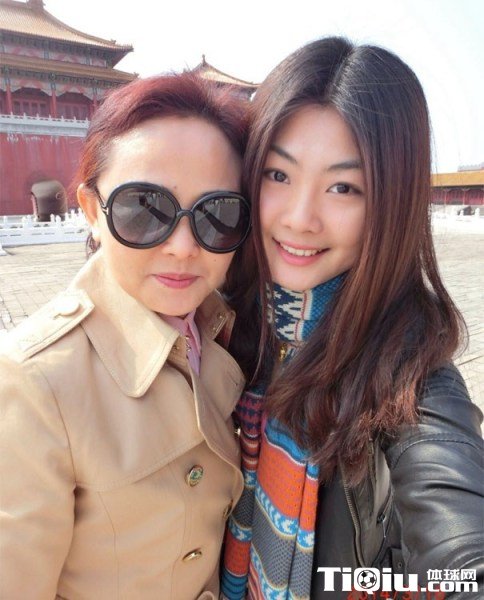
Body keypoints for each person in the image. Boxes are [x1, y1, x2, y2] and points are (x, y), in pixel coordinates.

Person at [221, 37, 483, 599]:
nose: (300, 219)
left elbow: (461, 549)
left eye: (343, 187)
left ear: (390, 202)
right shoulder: (221, 325)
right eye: (278, 174)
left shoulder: (412, 382)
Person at [0, 72, 251, 599]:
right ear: (93, 211)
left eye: (218, 214)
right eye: (145, 209)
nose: (183, 246)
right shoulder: (35, 380)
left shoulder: (227, 331)